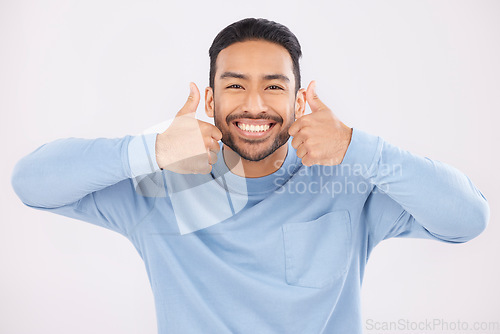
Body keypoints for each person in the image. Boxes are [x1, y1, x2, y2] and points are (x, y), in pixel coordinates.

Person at [11, 17, 489, 334]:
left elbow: (467, 220)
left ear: (299, 102)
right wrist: (149, 149)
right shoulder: (159, 187)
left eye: (274, 86)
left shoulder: (348, 182)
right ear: (212, 101)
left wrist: (355, 147)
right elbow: (31, 184)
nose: (255, 105)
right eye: (235, 85)